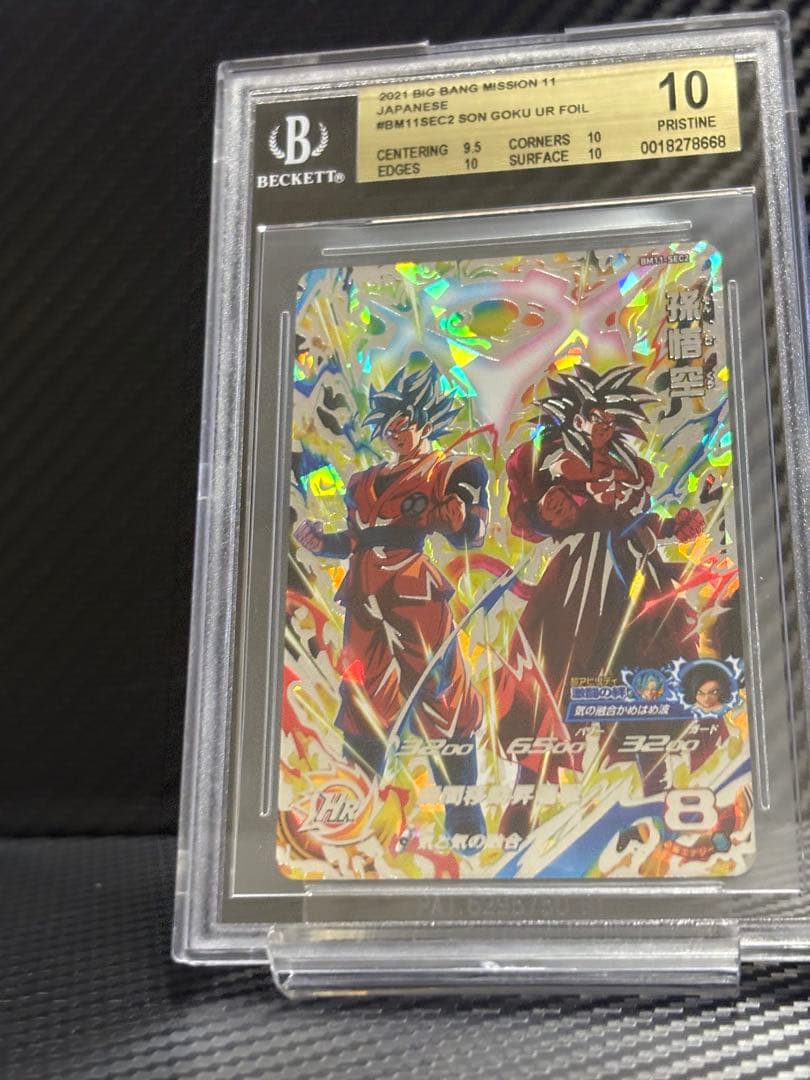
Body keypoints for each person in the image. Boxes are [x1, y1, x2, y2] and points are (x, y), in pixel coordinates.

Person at [497, 364, 705, 836]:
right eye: (593, 416)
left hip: (635, 577)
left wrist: (673, 527)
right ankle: (524, 799)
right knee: (552, 675)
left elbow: (638, 520)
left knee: (649, 675)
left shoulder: (632, 466)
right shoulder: (546, 461)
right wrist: (545, 515)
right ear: (574, 417)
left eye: (610, 418)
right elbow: (526, 520)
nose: (602, 425)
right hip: (577, 577)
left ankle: (659, 792)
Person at [294, 362, 490, 840]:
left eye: (403, 424)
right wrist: (322, 543)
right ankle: (357, 805)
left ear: (424, 421)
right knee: (363, 697)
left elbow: (473, 533)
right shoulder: (364, 481)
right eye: (389, 427)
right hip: (364, 597)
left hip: (414, 592)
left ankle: (463, 813)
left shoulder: (452, 470)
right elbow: (355, 539)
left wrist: (455, 516)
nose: (395, 434)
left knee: (440, 692)